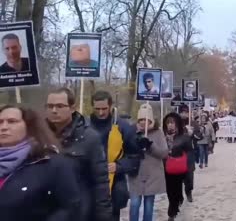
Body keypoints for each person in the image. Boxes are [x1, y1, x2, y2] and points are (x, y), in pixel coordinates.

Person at [0, 105, 81, 221]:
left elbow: (70, 208)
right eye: (0, 122)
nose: (4, 127)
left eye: (12, 121)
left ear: (29, 126)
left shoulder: (51, 163)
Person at [45, 87, 112, 221]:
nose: (54, 110)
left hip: (78, 213)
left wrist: (103, 217)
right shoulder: (38, 136)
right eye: (50, 106)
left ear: (72, 108)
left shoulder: (89, 138)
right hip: (46, 211)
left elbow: (100, 184)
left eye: (59, 106)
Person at [88, 90, 141, 221]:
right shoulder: (84, 126)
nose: (100, 113)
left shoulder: (123, 127)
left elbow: (135, 157)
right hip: (88, 187)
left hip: (113, 189)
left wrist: (119, 166)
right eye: (97, 109)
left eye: (104, 109)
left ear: (111, 106)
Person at [128, 105, 168, 221]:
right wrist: (136, 146)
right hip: (136, 174)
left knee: (149, 205)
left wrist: (150, 146)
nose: (143, 122)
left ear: (150, 120)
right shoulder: (132, 131)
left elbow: (164, 153)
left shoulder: (158, 133)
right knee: (135, 204)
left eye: (146, 120)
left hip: (152, 174)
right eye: (141, 120)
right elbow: (126, 150)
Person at [163, 112, 194, 221]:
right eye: (168, 123)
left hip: (180, 168)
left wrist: (190, 169)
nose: (170, 125)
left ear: (177, 124)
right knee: (170, 192)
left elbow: (190, 154)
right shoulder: (162, 136)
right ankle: (176, 202)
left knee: (176, 189)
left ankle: (172, 213)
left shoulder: (184, 138)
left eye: (172, 122)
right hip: (166, 168)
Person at [179, 104, 195, 202]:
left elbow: (199, 135)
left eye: (186, 112)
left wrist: (193, 133)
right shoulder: (175, 122)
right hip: (178, 152)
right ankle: (179, 195)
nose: (184, 114)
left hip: (189, 153)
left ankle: (189, 192)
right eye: (182, 112)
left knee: (189, 175)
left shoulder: (192, 122)